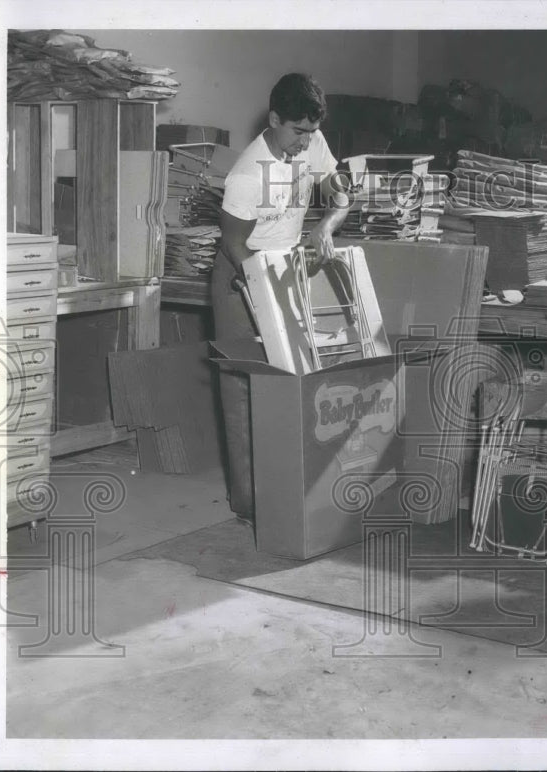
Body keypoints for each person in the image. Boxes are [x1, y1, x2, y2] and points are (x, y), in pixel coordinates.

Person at [213, 72, 350, 523]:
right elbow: (234, 244)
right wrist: (258, 289)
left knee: (292, 379)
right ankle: (251, 504)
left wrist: (323, 227)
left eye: (312, 132)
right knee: (244, 387)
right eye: (298, 132)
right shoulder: (247, 175)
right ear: (274, 120)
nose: (305, 143)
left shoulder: (312, 141)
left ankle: (290, 487)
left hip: (286, 265)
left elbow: (340, 195)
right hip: (241, 272)